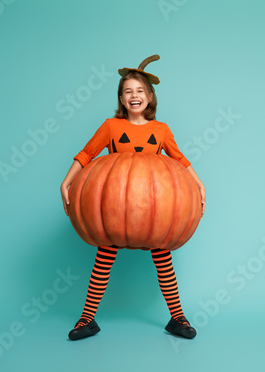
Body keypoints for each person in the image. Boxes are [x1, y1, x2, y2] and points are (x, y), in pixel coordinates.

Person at [60, 55, 205, 341]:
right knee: (103, 259)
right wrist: (66, 181)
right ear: (121, 98)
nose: (134, 96)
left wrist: (199, 185)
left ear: (150, 97)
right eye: (128, 92)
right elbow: (87, 154)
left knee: (164, 262)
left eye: (139, 91)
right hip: (114, 212)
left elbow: (178, 160)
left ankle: (177, 318)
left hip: (154, 214)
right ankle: (86, 319)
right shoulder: (111, 127)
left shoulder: (160, 130)